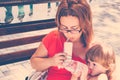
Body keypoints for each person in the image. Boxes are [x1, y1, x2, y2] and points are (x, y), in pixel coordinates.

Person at [30, 0, 93, 80]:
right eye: (64, 27)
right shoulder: (53, 37)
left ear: (86, 24)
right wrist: (51, 61)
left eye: (74, 28)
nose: (68, 34)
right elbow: (34, 63)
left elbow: (108, 73)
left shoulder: (94, 47)